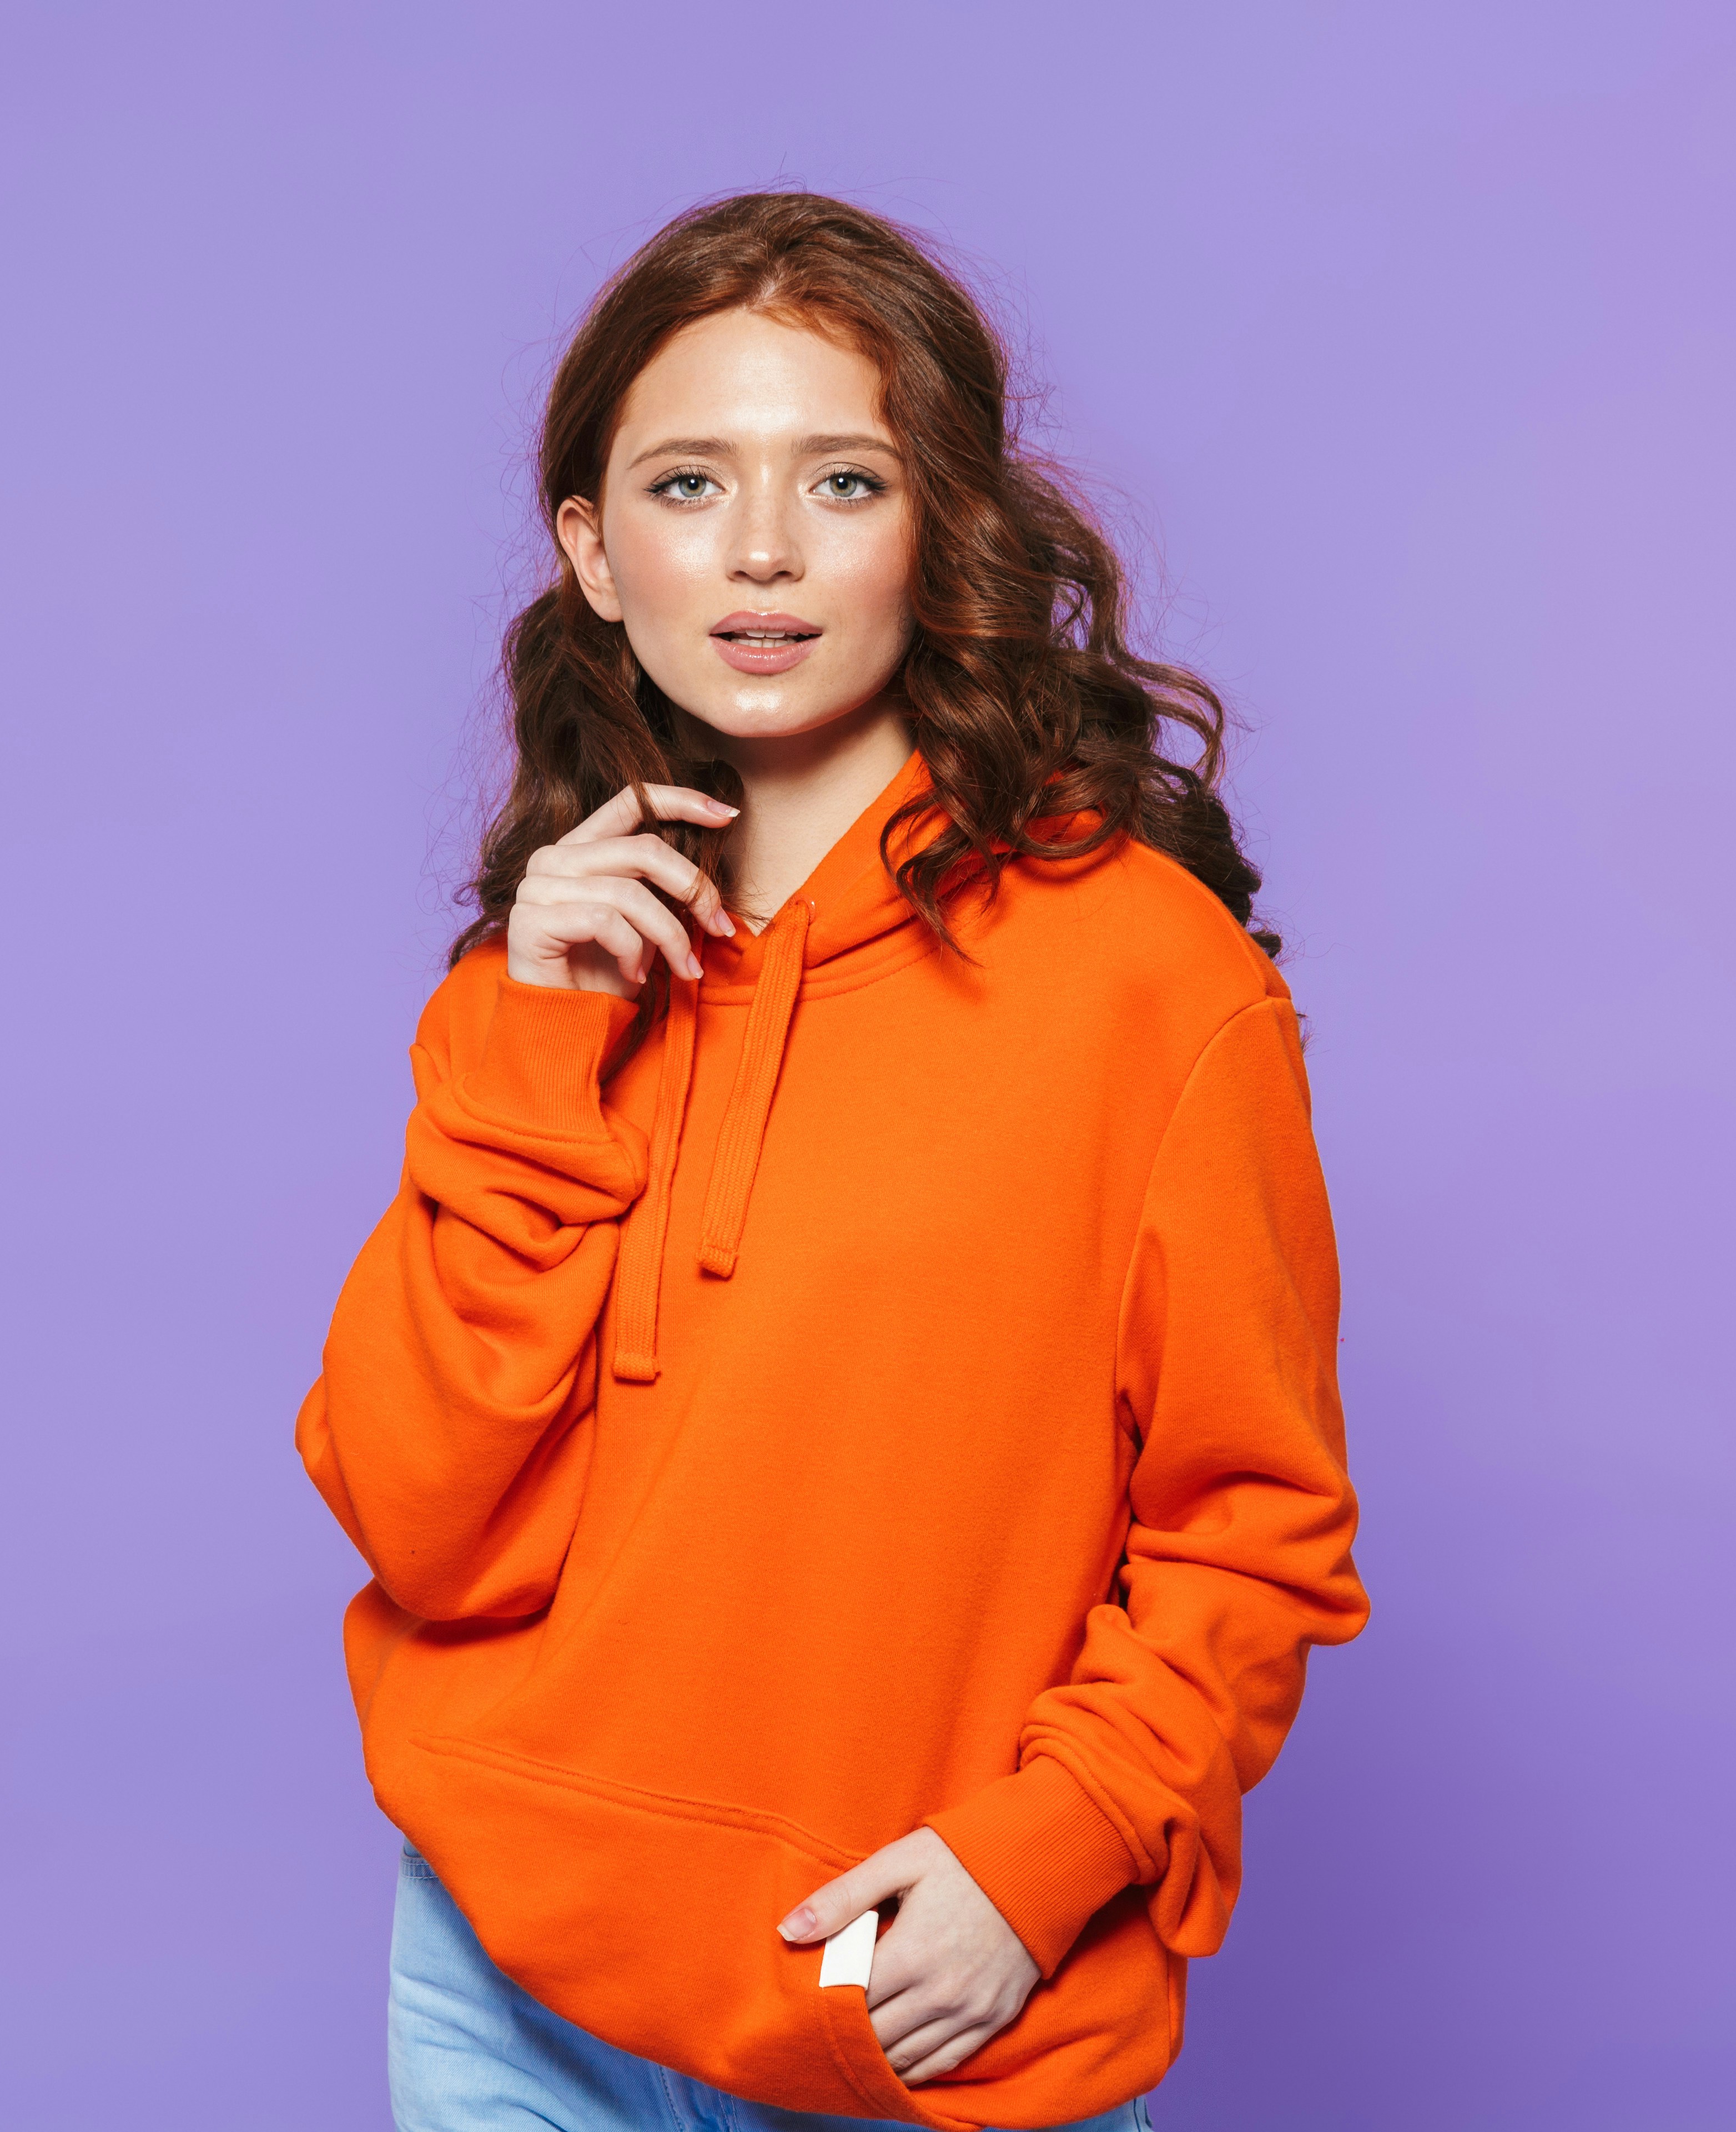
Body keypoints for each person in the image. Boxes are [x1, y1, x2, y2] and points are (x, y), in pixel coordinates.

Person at [295, 192, 1367, 2132]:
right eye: (689, 484)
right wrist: (533, 1035)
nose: (764, 549)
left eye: (845, 480)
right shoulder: (531, 987)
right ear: (593, 554)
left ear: (939, 528)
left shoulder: (1149, 981)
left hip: (894, 1988)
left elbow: (1249, 1525)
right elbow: (421, 1518)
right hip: (501, 1967)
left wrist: (1045, 1858)